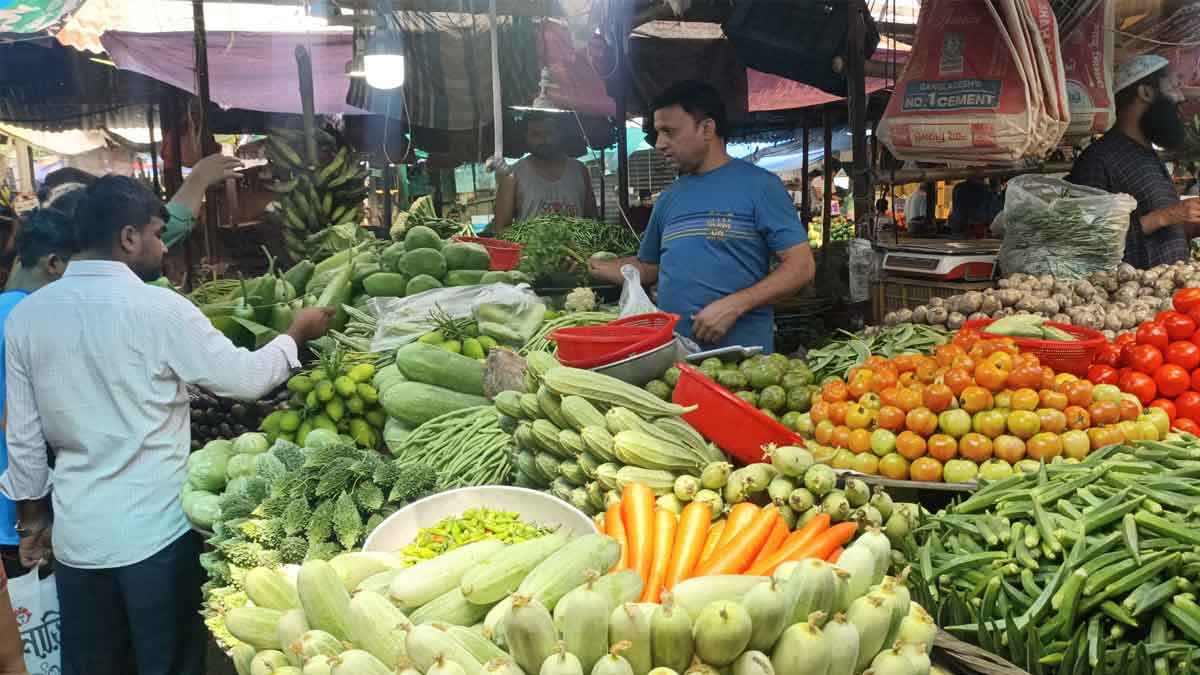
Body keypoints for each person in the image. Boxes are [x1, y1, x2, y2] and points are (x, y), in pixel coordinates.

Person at [0, 175, 334, 675]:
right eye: (158, 234)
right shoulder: (160, 308)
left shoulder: (27, 319)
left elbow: (23, 443)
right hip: (155, 538)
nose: (163, 246)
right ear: (128, 237)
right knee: (169, 664)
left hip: (78, 541)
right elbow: (243, 379)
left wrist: (34, 524)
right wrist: (296, 333)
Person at [588, 81, 815, 351]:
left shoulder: (760, 186)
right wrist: (597, 267)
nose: (659, 144)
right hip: (676, 358)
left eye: (669, 132)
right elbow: (650, 267)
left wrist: (735, 305)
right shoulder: (669, 198)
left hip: (745, 363)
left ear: (707, 128)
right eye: (657, 133)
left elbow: (801, 267)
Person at [0, 209, 77, 582]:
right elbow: (21, 427)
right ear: (54, 264)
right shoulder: (39, 322)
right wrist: (34, 522)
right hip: (21, 519)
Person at [1068, 55, 1200, 269]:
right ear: (1146, 92)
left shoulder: (1149, 155)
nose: (1181, 96)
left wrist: (1188, 225)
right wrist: (1167, 215)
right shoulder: (1097, 161)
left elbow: (1158, 229)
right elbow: (1086, 241)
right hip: (1129, 299)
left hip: (1171, 295)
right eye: (1174, 87)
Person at [492, 113, 598, 233]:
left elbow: (592, 220)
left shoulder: (580, 171)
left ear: (560, 134)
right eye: (536, 134)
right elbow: (501, 228)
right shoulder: (512, 175)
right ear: (525, 136)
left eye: (549, 132)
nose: (544, 140)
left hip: (577, 251)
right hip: (532, 251)